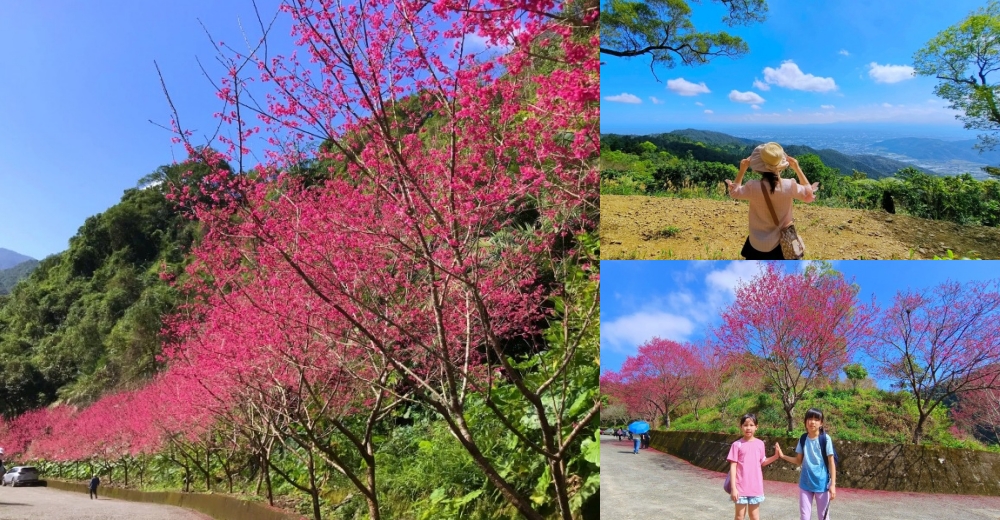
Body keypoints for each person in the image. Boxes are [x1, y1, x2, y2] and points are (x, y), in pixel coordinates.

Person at [725, 142, 819, 259]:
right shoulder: (789, 185)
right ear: (781, 164)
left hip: (756, 244)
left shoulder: (753, 186)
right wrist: (797, 168)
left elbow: (734, 193)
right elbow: (808, 195)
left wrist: (742, 170)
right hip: (782, 244)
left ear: (760, 165)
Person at [776, 408, 838, 520]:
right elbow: (798, 461)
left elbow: (831, 463)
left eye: (816, 419)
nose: (812, 422)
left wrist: (832, 485)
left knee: (823, 516)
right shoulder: (803, 438)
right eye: (810, 418)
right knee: (804, 517)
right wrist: (782, 456)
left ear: (821, 423)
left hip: (822, 485)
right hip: (805, 483)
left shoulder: (825, 439)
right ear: (805, 421)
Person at [727, 413, 781, 520]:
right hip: (740, 488)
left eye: (751, 425)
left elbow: (763, 462)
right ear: (741, 427)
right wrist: (733, 488)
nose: (748, 428)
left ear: (756, 427)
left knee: (754, 517)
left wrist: (775, 456)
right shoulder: (736, 445)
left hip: (755, 487)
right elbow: (733, 466)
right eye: (745, 425)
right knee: (739, 517)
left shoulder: (760, 444)